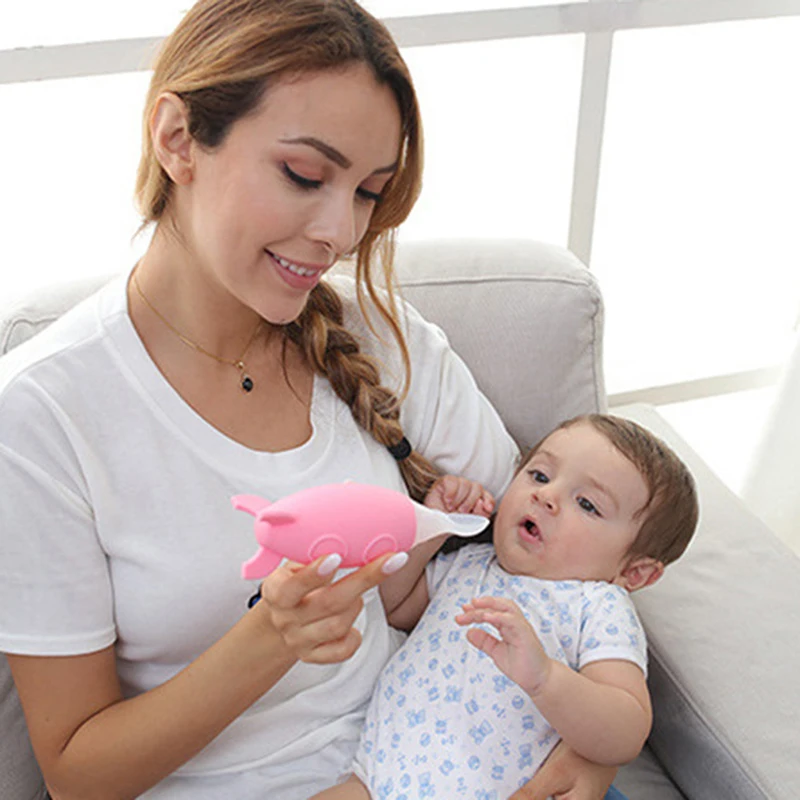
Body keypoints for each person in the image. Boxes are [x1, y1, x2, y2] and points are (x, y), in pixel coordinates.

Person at [0, 2, 629, 799]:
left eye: (368, 192)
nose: (341, 231)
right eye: (304, 175)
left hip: (450, 768)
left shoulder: (383, 339)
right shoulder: (43, 415)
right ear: (177, 139)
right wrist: (272, 637)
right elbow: (76, 774)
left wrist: (593, 747)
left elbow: (563, 546)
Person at [313, 413, 699, 800]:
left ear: (634, 572)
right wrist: (435, 527)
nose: (545, 496)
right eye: (540, 475)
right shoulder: (469, 564)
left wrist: (547, 679)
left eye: (586, 504)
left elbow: (625, 732)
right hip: (376, 778)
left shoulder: (598, 606)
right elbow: (394, 608)